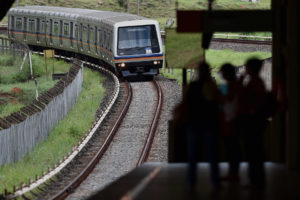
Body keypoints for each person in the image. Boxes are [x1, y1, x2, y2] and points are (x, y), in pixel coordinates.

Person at [180, 62, 221, 189]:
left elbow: (185, 101)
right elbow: (219, 101)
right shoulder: (212, 86)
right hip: (209, 122)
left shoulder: (192, 86)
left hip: (193, 122)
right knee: (212, 153)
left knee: (192, 154)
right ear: (208, 72)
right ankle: (215, 181)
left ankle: (191, 182)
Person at [239, 58, 267, 189]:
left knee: (253, 152)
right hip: (256, 121)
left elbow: (244, 97)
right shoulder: (258, 82)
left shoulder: (254, 83)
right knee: (255, 152)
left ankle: (255, 181)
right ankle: (257, 180)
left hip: (253, 122)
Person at [219, 63, 241, 182]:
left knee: (232, 148)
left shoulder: (232, 85)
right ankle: (233, 173)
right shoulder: (235, 83)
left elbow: (228, 98)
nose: (221, 74)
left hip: (232, 120)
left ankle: (233, 174)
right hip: (233, 119)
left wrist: (219, 96)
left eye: (222, 72)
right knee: (233, 148)